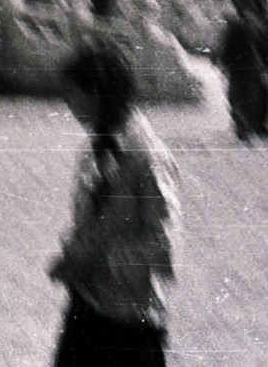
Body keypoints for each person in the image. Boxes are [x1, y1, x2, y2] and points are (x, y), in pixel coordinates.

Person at [50, 43, 179, 367]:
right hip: (88, 306)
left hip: (130, 319)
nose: (66, 103)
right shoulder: (97, 149)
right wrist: (74, 255)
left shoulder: (148, 157)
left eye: (72, 93)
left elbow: (163, 243)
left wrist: (101, 261)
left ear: (96, 92)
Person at [214, 0, 268, 143]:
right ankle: (247, 127)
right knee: (249, 98)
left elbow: (226, 46)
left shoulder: (235, 26)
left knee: (238, 98)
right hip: (252, 67)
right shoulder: (260, 26)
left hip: (239, 68)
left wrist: (222, 62)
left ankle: (242, 128)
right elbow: (266, 48)